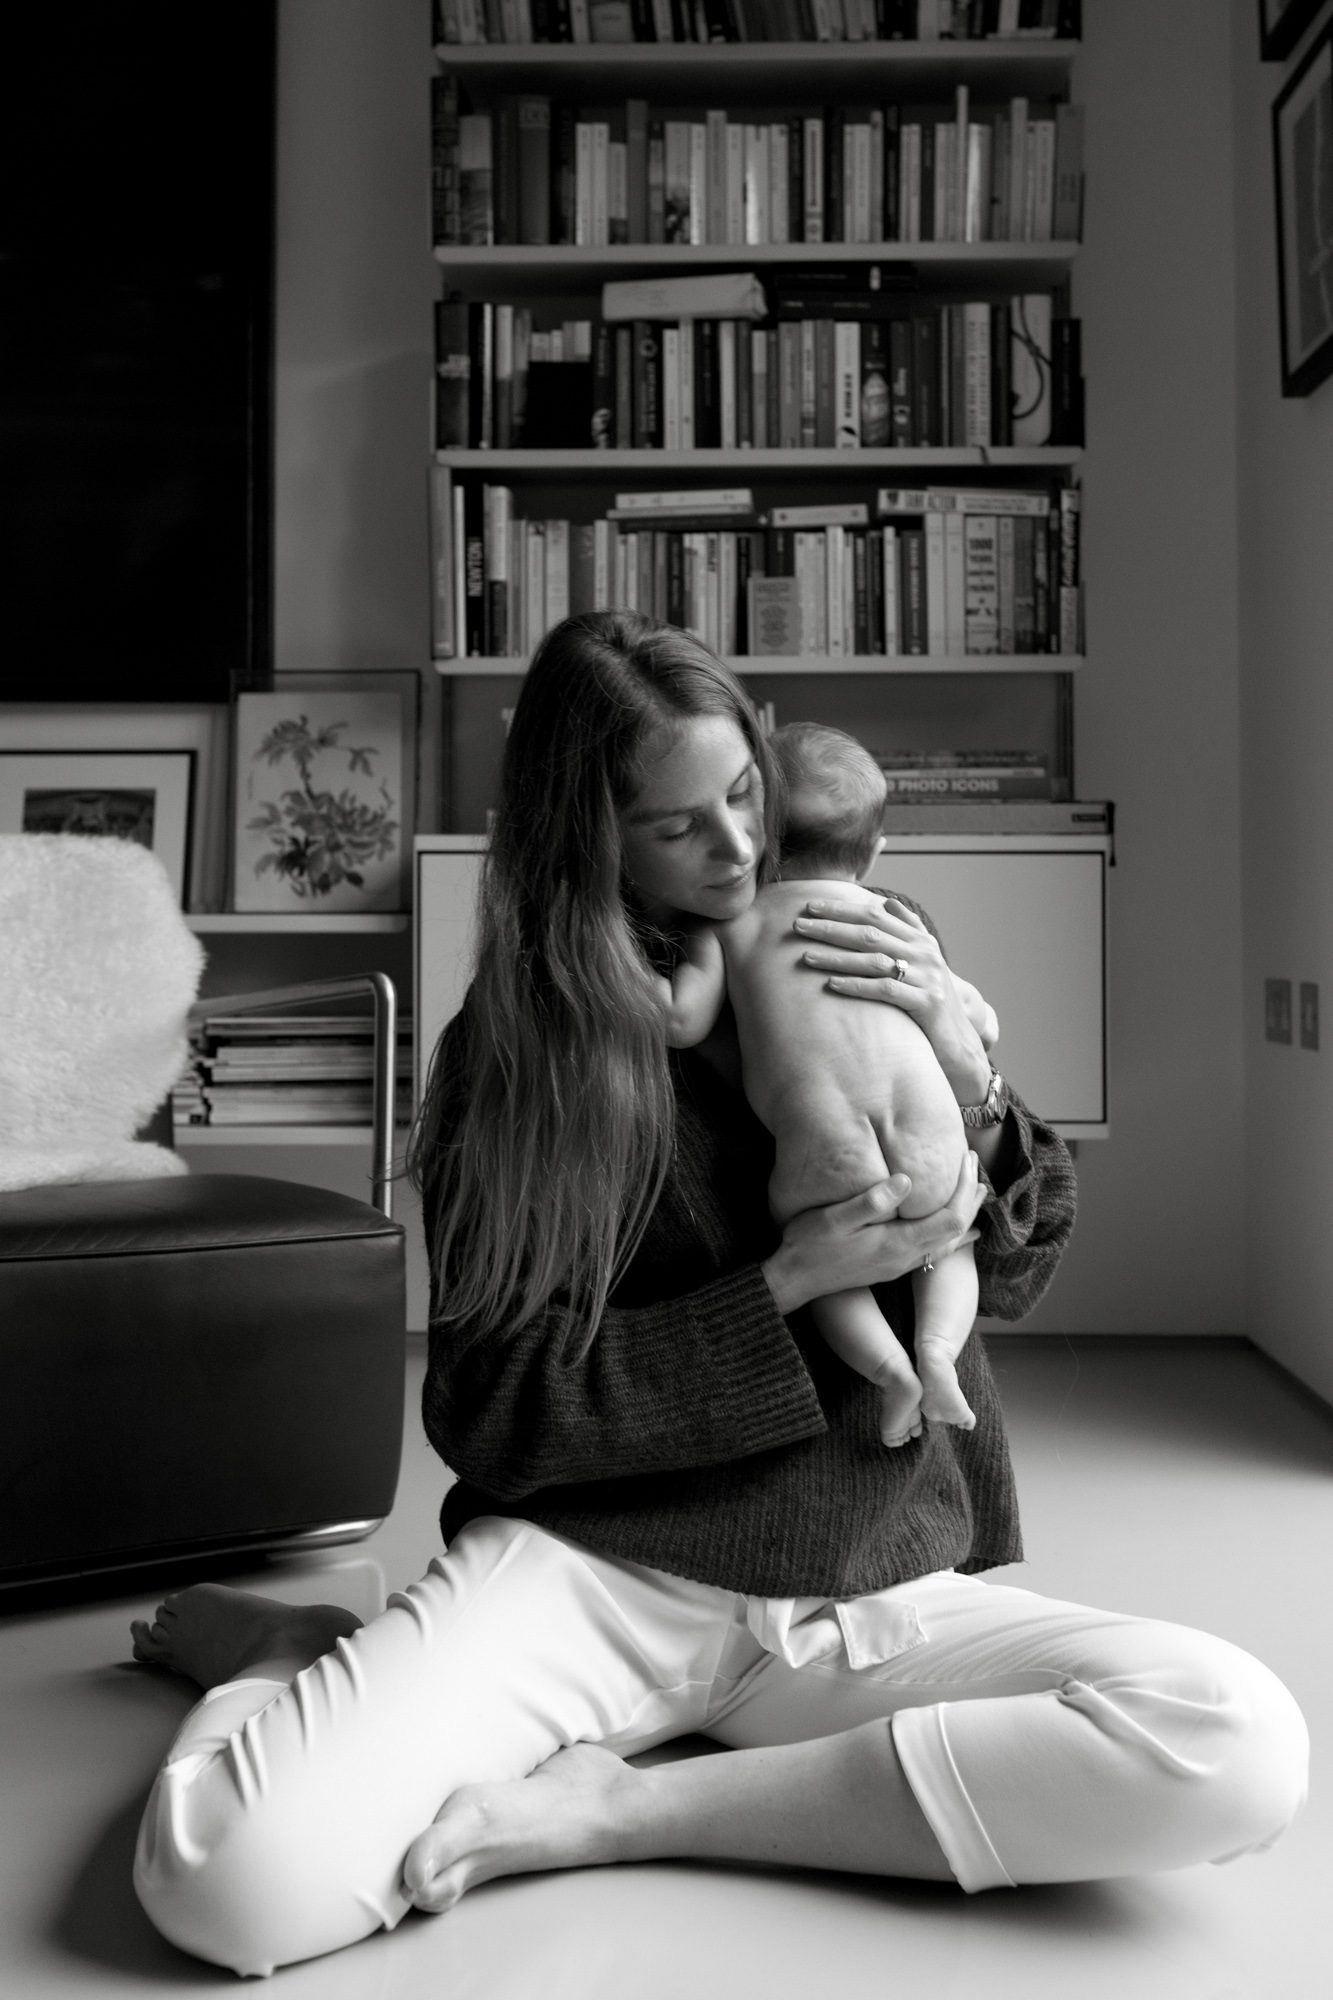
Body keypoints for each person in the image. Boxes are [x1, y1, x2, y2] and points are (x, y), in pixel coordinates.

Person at [128, 614, 1308, 1979]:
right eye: (678, 826)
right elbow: (495, 1409)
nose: (740, 853)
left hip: (858, 1584)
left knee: (1234, 1741)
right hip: (591, 1579)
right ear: (591, 841)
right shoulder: (516, 1065)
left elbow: (1016, 1271)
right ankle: (301, 1655)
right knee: (227, 1885)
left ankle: (625, 1808)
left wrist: (971, 1079)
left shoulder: (855, 949)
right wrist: (791, 1283)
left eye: (742, 793)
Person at [660, 718, 992, 1449]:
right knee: (952, 1246)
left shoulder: (732, 925)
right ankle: (936, 1355)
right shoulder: (899, 925)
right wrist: (970, 1048)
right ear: (874, 851)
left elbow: (680, 1021)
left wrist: (620, 982)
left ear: (758, 839)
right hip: (934, 1146)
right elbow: (979, 1025)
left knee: (830, 1268)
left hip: (826, 1156)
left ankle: (891, 1375)